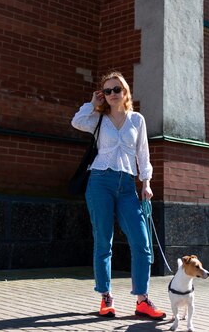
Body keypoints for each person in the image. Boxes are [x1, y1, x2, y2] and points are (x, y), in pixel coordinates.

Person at [71, 70, 166, 320]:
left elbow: (143, 154)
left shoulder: (137, 120)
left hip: (127, 186)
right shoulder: (98, 119)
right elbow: (77, 121)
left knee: (142, 243)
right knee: (104, 242)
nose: (112, 94)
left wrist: (146, 183)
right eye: (108, 90)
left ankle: (142, 300)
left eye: (117, 89)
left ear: (125, 92)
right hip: (100, 182)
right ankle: (106, 296)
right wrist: (92, 104)